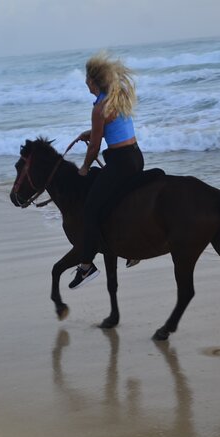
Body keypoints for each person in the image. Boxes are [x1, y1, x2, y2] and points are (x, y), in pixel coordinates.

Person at [69, 52, 144, 289]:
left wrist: (84, 167)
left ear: (94, 80)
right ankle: (131, 249)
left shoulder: (100, 107)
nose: (85, 83)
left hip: (120, 162)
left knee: (91, 207)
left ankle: (86, 265)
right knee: (117, 202)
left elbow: (95, 146)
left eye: (87, 79)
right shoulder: (116, 96)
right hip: (135, 156)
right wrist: (90, 133)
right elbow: (109, 130)